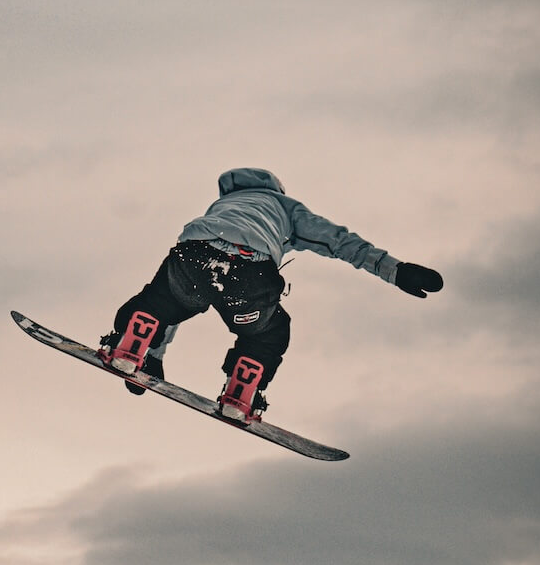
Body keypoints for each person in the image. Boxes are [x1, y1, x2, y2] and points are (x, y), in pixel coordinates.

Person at [99, 167, 443, 422]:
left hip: (192, 255)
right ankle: (240, 394)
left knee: (161, 304)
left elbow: (170, 303)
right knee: (267, 334)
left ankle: (134, 346)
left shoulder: (221, 206)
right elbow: (340, 242)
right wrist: (396, 271)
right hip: (249, 273)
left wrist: (152, 360)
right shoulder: (285, 207)